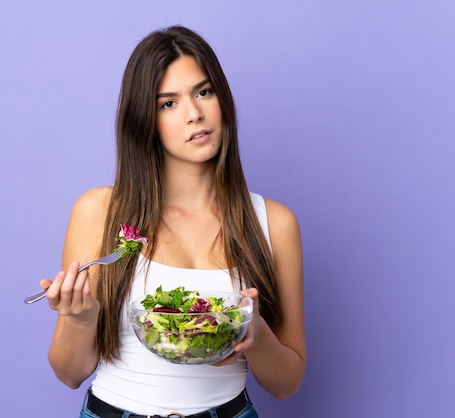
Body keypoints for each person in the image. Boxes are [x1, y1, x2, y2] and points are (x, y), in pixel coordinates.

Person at [39, 25, 306, 418]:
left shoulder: (275, 223)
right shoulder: (99, 211)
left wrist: (255, 332)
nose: (194, 114)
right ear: (144, 120)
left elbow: (287, 384)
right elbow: (69, 372)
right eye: (168, 104)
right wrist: (80, 319)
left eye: (204, 92)